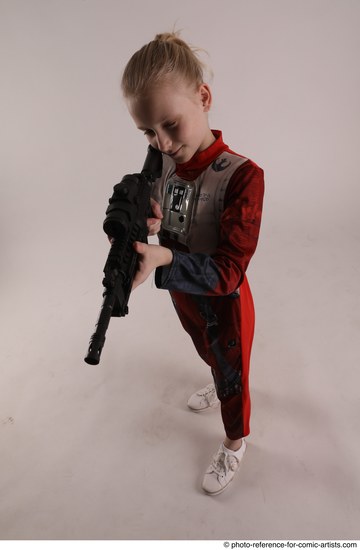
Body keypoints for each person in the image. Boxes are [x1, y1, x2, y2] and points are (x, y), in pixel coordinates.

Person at [121, 32, 264, 496]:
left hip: (223, 302)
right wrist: (135, 221)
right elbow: (148, 201)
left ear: (203, 97)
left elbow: (228, 273)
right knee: (206, 353)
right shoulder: (162, 157)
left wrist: (163, 257)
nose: (160, 142)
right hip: (183, 293)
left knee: (231, 376)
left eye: (170, 124)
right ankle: (218, 377)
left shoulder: (243, 177)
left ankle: (235, 441)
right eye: (147, 131)